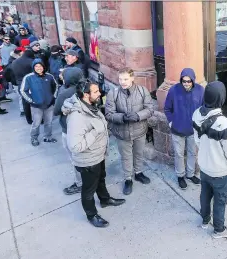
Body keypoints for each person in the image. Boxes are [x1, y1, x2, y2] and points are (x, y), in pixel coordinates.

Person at [62, 80, 126, 228]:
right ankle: (91, 215)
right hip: (88, 161)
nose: (100, 93)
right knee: (88, 189)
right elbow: (75, 146)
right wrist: (94, 131)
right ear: (86, 95)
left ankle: (105, 199)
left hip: (98, 155)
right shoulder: (77, 117)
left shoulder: (90, 106)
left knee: (101, 179)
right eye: (96, 92)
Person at [192, 81, 227, 239]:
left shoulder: (196, 114)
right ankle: (219, 230)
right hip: (220, 170)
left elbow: (197, 141)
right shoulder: (225, 124)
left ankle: (205, 221)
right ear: (221, 97)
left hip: (204, 166)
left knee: (205, 194)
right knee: (220, 200)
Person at [105, 68, 154, 195]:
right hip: (122, 132)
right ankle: (128, 179)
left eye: (126, 79)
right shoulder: (113, 93)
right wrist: (121, 117)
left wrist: (138, 115)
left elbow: (150, 108)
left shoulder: (142, 91)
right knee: (126, 157)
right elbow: (109, 114)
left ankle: (138, 173)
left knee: (138, 153)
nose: (123, 82)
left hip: (139, 130)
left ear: (132, 78)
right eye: (120, 79)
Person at [164, 68, 204, 189]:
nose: (186, 83)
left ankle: (190, 174)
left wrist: (200, 124)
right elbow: (167, 109)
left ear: (193, 80)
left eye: (189, 81)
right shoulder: (173, 90)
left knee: (192, 153)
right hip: (177, 130)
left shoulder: (200, 90)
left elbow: (203, 108)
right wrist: (171, 122)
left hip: (193, 130)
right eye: (184, 81)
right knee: (179, 154)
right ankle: (180, 176)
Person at [54, 67, 84, 195]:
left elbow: (56, 111)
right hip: (85, 129)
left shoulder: (64, 94)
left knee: (75, 159)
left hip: (70, 130)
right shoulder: (86, 88)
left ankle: (80, 184)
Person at [21, 58, 58, 146]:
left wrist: (53, 97)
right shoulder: (28, 77)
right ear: (33, 67)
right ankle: (34, 138)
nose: (38, 68)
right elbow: (23, 91)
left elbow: (56, 86)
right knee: (36, 124)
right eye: (36, 66)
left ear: (43, 67)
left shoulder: (49, 76)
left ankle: (48, 137)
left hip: (49, 105)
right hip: (36, 106)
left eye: (40, 66)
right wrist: (31, 101)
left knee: (48, 123)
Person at [11, 49, 35, 121]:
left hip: (20, 84)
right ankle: (40, 119)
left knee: (25, 102)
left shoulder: (14, 62)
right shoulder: (31, 62)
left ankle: (29, 119)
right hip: (30, 84)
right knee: (35, 101)